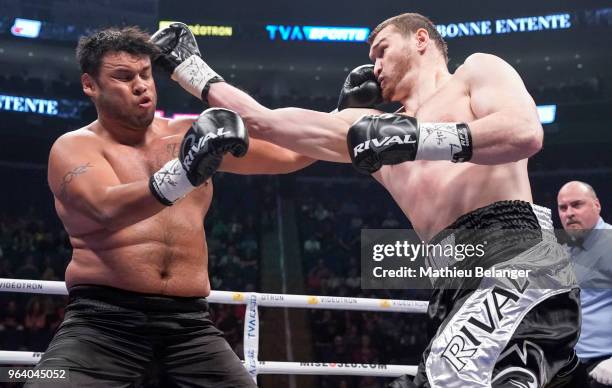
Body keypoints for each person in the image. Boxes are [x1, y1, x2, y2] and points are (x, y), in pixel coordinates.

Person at [152, 15, 580, 387]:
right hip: (451, 279)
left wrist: (417, 139)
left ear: (420, 40)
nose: (373, 66)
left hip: (516, 254)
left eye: (381, 49)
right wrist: (192, 70)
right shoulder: (368, 129)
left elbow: (525, 133)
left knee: (451, 375)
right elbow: (266, 123)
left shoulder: (475, 72)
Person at [27, 26, 313, 387]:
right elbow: (106, 208)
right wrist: (185, 172)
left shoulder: (187, 134)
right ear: (90, 85)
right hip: (102, 324)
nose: (141, 85)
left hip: (190, 328)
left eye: (146, 73)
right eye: (124, 77)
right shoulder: (74, 148)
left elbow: (291, 154)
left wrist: (347, 115)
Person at [558, 181, 612, 387]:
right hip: (571, 369)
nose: (569, 213)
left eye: (576, 204)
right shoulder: (564, 252)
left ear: (596, 205)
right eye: (563, 208)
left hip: (605, 368)